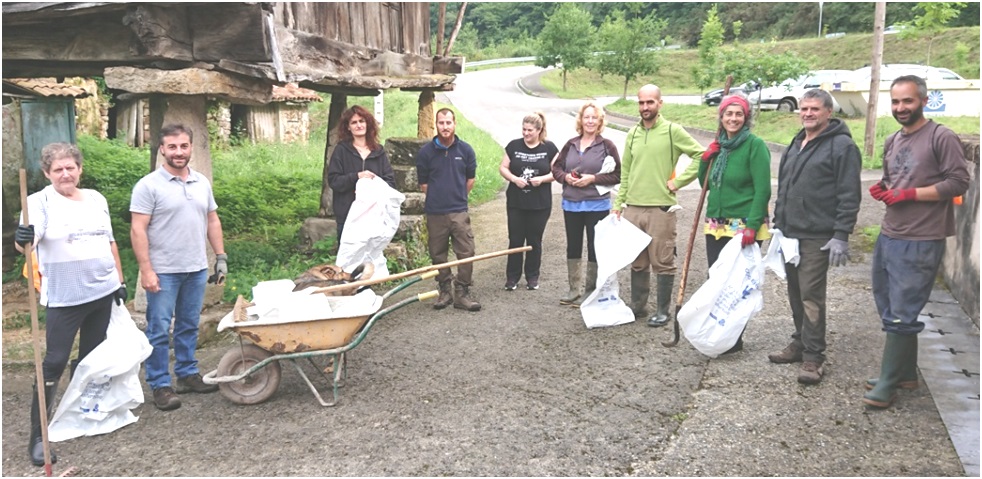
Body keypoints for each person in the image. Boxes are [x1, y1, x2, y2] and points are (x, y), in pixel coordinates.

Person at [14, 142, 126, 466]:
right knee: (54, 362)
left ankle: (82, 413)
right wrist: (23, 239)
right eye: (58, 169)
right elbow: (30, 241)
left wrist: (119, 280)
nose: (65, 174)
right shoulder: (38, 202)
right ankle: (38, 435)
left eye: (70, 167)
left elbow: (109, 241)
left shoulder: (95, 198)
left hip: (102, 292)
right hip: (65, 298)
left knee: (91, 358)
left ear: (80, 169)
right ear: (47, 173)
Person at [863, 75, 969, 408]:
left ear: (923, 100)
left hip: (922, 237)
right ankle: (905, 372)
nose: (900, 108)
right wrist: (884, 189)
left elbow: (958, 182)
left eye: (907, 101)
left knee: (902, 312)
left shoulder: (941, 137)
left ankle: (888, 382)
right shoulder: (894, 139)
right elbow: (894, 179)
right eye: (895, 102)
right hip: (891, 233)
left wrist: (910, 194)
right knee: (887, 304)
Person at [130, 124, 227, 411]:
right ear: (162, 149)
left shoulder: (201, 182)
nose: (178, 152)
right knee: (159, 328)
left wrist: (220, 256)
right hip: (163, 270)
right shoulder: (148, 186)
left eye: (183, 146)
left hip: (195, 267)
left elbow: (212, 220)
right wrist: (146, 270)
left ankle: (186, 374)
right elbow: (138, 230)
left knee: (188, 324)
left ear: (190, 147)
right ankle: (160, 384)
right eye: (172, 147)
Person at [769, 89, 861, 383]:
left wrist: (841, 234)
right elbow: (785, 186)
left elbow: (850, 195)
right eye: (804, 109)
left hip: (817, 236)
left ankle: (814, 358)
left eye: (814, 109)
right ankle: (800, 342)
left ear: (828, 113)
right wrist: (778, 223)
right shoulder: (797, 142)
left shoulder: (842, 147)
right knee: (794, 293)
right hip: (790, 234)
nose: (808, 113)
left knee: (811, 297)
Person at [672, 93, 772, 353]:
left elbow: (763, 189)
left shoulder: (754, 146)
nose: (733, 118)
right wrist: (706, 158)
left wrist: (752, 225)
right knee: (716, 279)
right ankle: (719, 332)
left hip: (744, 227)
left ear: (746, 117)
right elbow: (704, 183)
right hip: (716, 223)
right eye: (729, 113)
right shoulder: (720, 146)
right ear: (722, 117)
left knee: (737, 284)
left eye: (739, 114)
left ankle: (734, 339)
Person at [614, 84, 705, 327]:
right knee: (637, 261)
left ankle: (663, 311)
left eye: (650, 102)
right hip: (633, 207)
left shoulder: (673, 131)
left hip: (660, 209)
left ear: (660, 103)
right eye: (641, 103)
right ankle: (639, 307)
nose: (645, 107)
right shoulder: (632, 133)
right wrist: (618, 202)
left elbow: (701, 155)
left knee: (662, 260)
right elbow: (626, 171)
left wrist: (679, 182)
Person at [551, 102, 620, 306]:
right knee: (573, 246)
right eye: (586, 117)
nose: (590, 121)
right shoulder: (570, 144)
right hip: (571, 203)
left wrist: (593, 179)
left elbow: (617, 175)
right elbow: (556, 168)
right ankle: (573, 290)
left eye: (594, 117)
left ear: (600, 122)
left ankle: (591, 291)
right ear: (580, 120)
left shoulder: (607, 146)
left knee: (594, 247)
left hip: (597, 205)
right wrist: (566, 178)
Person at [416, 108, 481, 312]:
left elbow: (470, 180)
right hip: (435, 212)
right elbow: (423, 184)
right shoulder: (425, 153)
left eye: (448, 123)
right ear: (436, 124)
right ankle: (445, 290)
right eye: (441, 123)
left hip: (458, 211)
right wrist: (439, 197)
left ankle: (462, 292)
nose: (445, 126)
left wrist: (457, 196)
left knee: (467, 252)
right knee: (438, 254)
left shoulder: (466, 151)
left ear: (455, 124)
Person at [499, 112, 558, 291]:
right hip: (517, 202)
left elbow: (557, 172)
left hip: (540, 204)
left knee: (534, 240)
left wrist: (543, 179)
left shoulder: (549, 148)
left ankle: (532, 277)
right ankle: (512, 277)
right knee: (515, 239)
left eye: (530, 130)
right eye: (524, 129)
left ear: (539, 130)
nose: (526, 133)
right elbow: (503, 167)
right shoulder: (514, 146)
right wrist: (514, 179)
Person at [327, 105, 396, 243]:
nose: (359, 125)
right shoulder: (341, 151)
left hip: (374, 217)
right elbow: (334, 181)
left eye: (362, 121)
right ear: (348, 127)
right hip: (347, 216)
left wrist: (373, 185)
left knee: (371, 261)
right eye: (354, 122)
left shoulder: (378, 151)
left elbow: (390, 182)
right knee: (348, 261)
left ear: (368, 123)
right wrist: (356, 177)